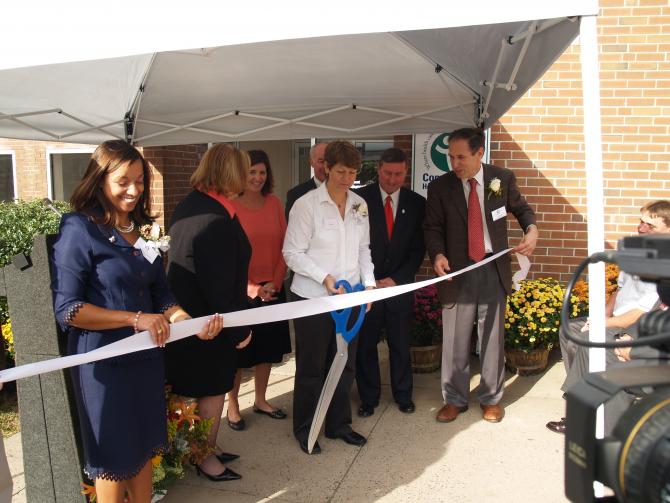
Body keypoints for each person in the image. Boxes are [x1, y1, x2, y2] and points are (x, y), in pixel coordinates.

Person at [51, 140, 223, 502]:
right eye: (123, 182)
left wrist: (188, 322)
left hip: (145, 360)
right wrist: (136, 319)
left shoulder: (144, 230)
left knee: (144, 447)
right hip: (102, 364)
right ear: (99, 181)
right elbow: (68, 309)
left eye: (140, 181)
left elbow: (163, 295)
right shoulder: (79, 229)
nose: (133, 190)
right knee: (114, 455)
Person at [424, 127, 538, 424]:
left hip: (492, 268)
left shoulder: (500, 179)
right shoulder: (440, 187)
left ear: (479, 153)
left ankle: (491, 399)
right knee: (455, 341)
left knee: (491, 339)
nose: (455, 163)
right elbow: (432, 228)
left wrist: (532, 230)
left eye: (461, 157)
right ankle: (455, 400)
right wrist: (437, 254)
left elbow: (522, 210)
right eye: (451, 157)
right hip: (456, 273)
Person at [165, 144, 252, 482]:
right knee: (211, 391)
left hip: (195, 321)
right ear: (230, 174)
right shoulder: (213, 218)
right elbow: (218, 285)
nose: (246, 178)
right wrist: (239, 329)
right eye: (242, 171)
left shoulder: (194, 203)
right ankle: (203, 457)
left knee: (203, 389)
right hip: (208, 325)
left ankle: (204, 449)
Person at [283, 140, 376, 455]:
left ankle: (339, 425)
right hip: (312, 298)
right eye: (341, 171)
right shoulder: (306, 204)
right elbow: (291, 253)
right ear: (325, 168)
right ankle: (306, 428)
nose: (347, 179)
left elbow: (364, 250)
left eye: (352, 172)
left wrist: (370, 285)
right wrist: (323, 277)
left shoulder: (360, 204)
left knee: (344, 363)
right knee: (311, 367)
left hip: (349, 298)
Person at [547, 200, 670, 434]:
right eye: (640, 222)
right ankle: (587, 392)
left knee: (590, 344)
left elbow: (641, 313)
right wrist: (601, 314)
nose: (641, 229)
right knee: (570, 330)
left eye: (650, 226)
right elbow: (620, 289)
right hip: (616, 320)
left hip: (635, 329)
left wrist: (604, 323)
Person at [355, 147, 425, 417]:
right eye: (387, 173)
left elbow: (418, 249)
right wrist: (370, 281)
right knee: (366, 345)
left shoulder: (417, 203)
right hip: (368, 288)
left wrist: (397, 279)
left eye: (398, 174)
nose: (393, 179)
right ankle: (368, 398)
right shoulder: (359, 199)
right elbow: (355, 246)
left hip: (398, 287)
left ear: (406, 172)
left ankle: (403, 395)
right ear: (378, 170)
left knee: (400, 343)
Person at [227, 150, 292, 430]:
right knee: (239, 354)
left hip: (274, 288)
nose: (257, 177)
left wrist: (276, 282)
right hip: (242, 292)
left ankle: (261, 400)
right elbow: (226, 257)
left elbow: (285, 246)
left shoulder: (275, 203)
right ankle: (232, 406)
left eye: (262, 172)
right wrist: (253, 288)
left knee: (268, 348)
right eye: (252, 172)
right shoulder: (230, 206)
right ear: (242, 174)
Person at [285, 142, 327, 218]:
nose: (326, 166)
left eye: (329, 161)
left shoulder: (346, 193)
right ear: (311, 162)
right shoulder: (296, 194)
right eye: (321, 161)